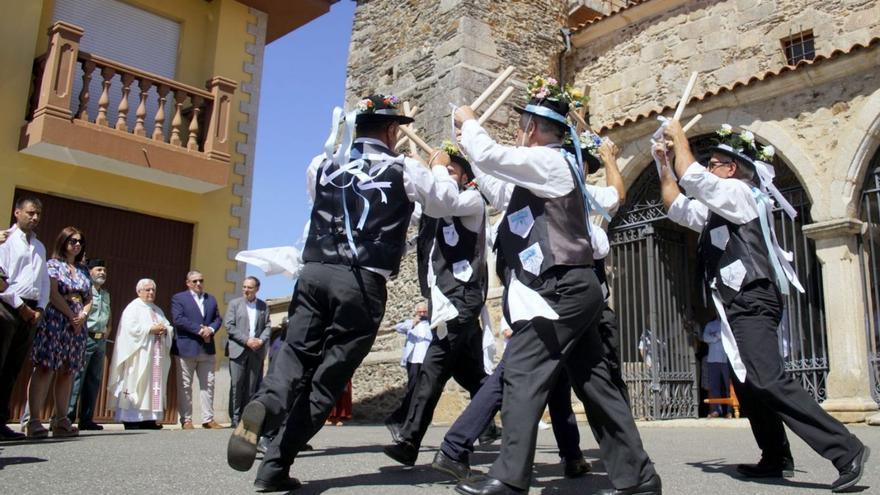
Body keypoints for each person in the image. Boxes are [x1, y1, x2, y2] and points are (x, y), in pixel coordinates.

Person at [227, 94, 460, 492]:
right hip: (361, 282)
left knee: (296, 356)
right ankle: (274, 466)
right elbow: (446, 203)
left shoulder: (323, 164)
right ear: (391, 131)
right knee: (326, 378)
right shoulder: (405, 168)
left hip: (314, 272)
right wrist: (439, 168)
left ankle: (266, 405)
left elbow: (319, 207)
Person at [451, 77, 660, 495]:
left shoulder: (550, 161)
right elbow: (497, 181)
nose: (517, 132)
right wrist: (468, 145)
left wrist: (471, 122)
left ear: (533, 128)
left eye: (521, 124)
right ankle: (639, 478)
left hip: (561, 288)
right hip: (570, 288)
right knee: (596, 383)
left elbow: (491, 154)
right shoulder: (540, 173)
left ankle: (509, 478)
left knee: (524, 372)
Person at [658, 120, 868, 492]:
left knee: (768, 378)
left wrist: (679, 138)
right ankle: (775, 455)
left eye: (715, 164)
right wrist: (663, 162)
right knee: (749, 379)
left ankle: (846, 449)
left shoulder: (740, 193)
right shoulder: (716, 211)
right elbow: (676, 206)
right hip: (737, 303)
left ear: (732, 169)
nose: (709, 170)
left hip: (753, 297)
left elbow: (694, 179)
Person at [432, 129, 628, 484]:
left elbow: (487, 167)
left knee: (567, 376)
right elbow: (602, 229)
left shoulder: (516, 190)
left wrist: (468, 140)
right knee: (523, 372)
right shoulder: (561, 193)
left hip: (538, 294)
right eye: (578, 163)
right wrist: (611, 162)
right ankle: (462, 449)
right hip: (553, 294)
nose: (580, 170)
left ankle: (582, 459)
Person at [384, 141, 491, 465]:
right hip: (442, 300)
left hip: (461, 298)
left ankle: (409, 439)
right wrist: (417, 165)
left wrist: (433, 167)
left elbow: (444, 200)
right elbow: (422, 199)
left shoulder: (472, 201)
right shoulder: (435, 206)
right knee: (472, 375)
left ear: (465, 177)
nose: (445, 174)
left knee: (433, 367)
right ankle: (508, 416)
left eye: (451, 170)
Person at [24, 226, 92, 439]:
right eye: (72, 241)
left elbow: (89, 296)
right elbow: (52, 292)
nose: (77, 245)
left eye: (80, 241)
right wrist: (71, 315)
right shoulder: (53, 265)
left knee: (68, 370)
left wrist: (83, 315)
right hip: (56, 321)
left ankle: (61, 418)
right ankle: (33, 420)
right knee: (45, 367)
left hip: (78, 325)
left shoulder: (82, 270)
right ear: (63, 242)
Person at [0, 198, 49, 441]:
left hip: (31, 312)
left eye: (38, 214)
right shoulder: (5, 240)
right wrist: (21, 307)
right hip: (7, 307)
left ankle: (1, 422)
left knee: (12, 368)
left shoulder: (39, 247)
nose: (35, 217)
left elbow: (43, 282)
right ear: (17, 212)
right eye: (30, 213)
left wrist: (39, 307)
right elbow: (2, 279)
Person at [107, 278, 173, 429]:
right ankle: (131, 419)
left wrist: (165, 330)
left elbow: (168, 326)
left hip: (155, 357)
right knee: (136, 385)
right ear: (139, 291)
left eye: (153, 290)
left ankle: (149, 419)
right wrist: (150, 329)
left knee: (152, 386)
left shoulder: (157, 310)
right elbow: (130, 330)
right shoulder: (133, 308)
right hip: (138, 356)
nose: (151, 292)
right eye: (147, 289)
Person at [171, 270, 222, 429]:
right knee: (185, 385)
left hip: (207, 348)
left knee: (209, 384)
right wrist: (200, 330)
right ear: (188, 283)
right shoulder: (179, 298)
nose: (198, 284)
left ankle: (208, 419)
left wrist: (211, 330)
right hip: (186, 348)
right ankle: (186, 419)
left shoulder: (211, 299)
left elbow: (217, 319)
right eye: (195, 281)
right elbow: (178, 319)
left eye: (201, 280)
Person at [67, 257, 111, 430]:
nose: (102, 273)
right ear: (90, 271)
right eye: (99, 269)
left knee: (94, 379)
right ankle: (66, 417)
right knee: (77, 377)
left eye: (104, 270)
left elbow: (109, 314)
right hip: (86, 337)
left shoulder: (106, 294)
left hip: (101, 340)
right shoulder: (85, 291)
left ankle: (86, 419)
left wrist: (109, 329)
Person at [225, 276, 271, 428]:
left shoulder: (263, 306)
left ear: (257, 289)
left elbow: (268, 326)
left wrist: (260, 340)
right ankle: (235, 417)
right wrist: (247, 340)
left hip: (256, 351)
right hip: (239, 349)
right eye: (244, 287)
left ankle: (247, 418)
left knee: (251, 386)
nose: (246, 290)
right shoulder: (234, 304)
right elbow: (230, 326)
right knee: (237, 385)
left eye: (249, 287)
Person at [385, 301, 432, 439]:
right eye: (420, 312)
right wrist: (414, 322)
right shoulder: (410, 323)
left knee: (423, 392)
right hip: (413, 362)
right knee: (413, 391)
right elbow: (398, 327)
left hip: (427, 361)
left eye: (424, 312)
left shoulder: (430, 324)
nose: (422, 314)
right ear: (416, 312)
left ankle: (407, 421)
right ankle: (400, 419)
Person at [701, 318, 730, 418]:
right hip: (712, 359)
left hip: (725, 359)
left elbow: (729, 338)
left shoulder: (727, 324)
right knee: (714, 386)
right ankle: (715, 410)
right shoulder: (710, 324)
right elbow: (705, 337)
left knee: (726, 386)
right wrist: (717, 337)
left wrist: (717, 336)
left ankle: (728, 410)